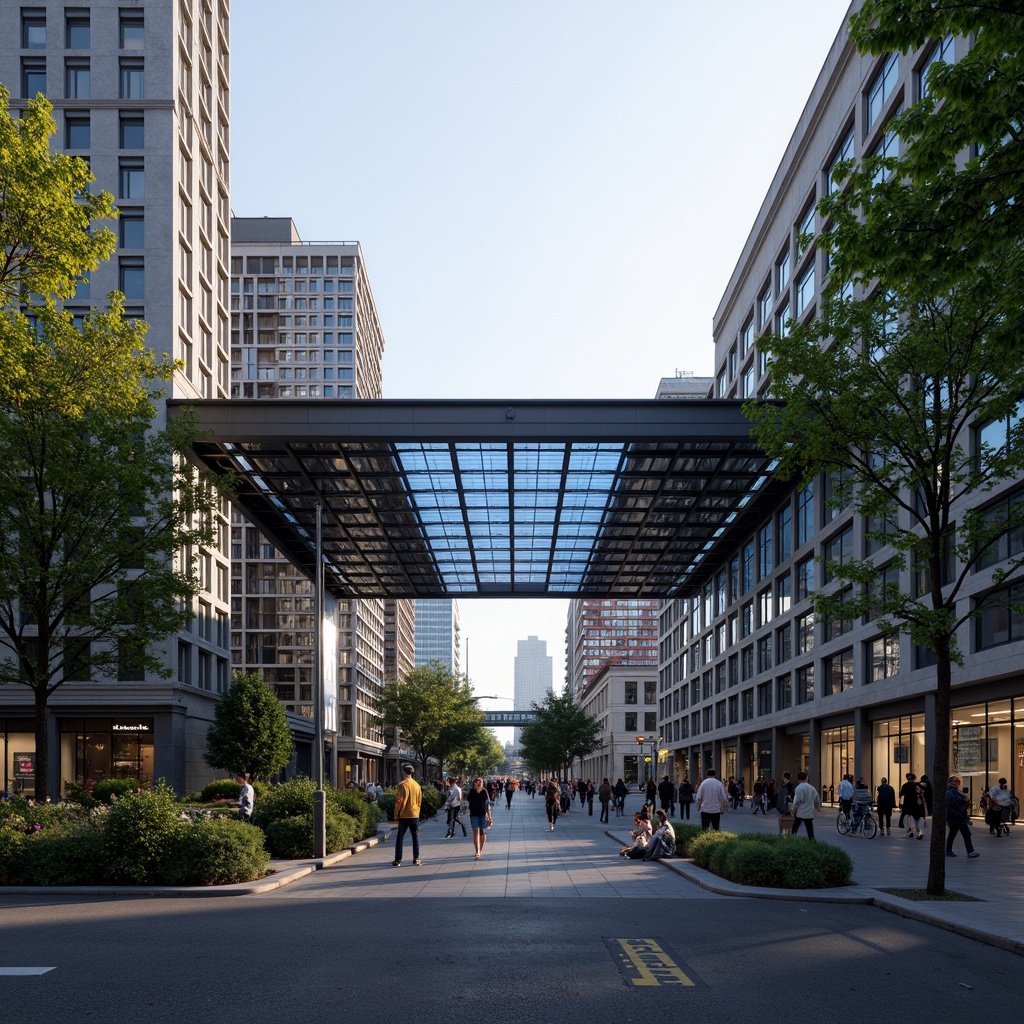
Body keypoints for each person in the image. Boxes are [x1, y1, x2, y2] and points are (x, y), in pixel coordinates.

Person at [392, 764, 422, 867]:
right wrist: (417, 812)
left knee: (400, 837)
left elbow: (399, 801)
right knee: (415, 837)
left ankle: (398, 860)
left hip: (404, 815)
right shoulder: (417, 785)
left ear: (404, 772)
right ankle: (416, 858)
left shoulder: (402, 785)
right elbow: (419, 801)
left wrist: (396, 814)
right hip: (414, 814)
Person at [945, 775, 980, 858]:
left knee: (954, 834)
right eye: (955, 781)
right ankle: (970, 851)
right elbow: (952, 804)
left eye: (958, 781)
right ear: (950, 783)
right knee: (965, 834)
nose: (957, 783)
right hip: (956, 817)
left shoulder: (957, 792)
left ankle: (949, 850)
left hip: (957, 817)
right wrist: (964, 802)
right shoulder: (950, 792)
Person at [790, 771, 821, 839]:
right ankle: (812, 842)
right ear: (807, 778)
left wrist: (794, 810)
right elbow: (816, 799)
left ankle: (792, 838)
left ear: (798, 779)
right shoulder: (812, 788)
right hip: (809, 811)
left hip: (800, 811)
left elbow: (797, 801)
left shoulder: (798, 788)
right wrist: (816, 808)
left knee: (795, 826)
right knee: (809, 828)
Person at [466, 776, 491, 859]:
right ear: (474, 783)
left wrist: (490, 817)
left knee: (482, 833)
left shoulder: (484, 792)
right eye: (477, 782)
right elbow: (468, 802)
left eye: (480, 782)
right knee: (475, 832)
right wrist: (467, 810)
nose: (479, 784)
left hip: (483, 814)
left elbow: (488, 805)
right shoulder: (472, 792)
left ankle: (481, 849)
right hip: (473, 814)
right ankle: (477, 851)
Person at [899, 772, 926, 839]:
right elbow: (924, 789)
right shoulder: (918, 785)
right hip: (917, 805)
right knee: (918, 819)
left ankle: (911, 831)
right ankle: (919, 832)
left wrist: (901, 805)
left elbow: (901, 795)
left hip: (908, 805)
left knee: (909, 820)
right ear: (914, 779)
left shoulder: (905, 786)